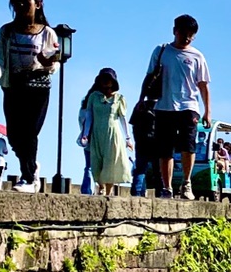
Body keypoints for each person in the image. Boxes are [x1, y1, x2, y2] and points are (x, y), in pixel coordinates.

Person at [0, 0, 63, 186]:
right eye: (16, 2)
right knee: (14, 135)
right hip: (14, 86)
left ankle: (28, 177)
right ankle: (31, 165)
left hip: (38, 87)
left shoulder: (47, 32)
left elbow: (54, 61)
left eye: (24, 1)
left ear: (37, 4)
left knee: (29, 132)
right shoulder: (7, 31)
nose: (20, 6)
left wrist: (48, 63)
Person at [142, 14, 210, 199]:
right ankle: (167, 187)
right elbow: (149, 76)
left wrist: (207, 111)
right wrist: (143, 100)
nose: (186, 37)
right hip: (164, 105)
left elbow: (203, 85)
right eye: (183, 33)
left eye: (190, 34)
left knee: (188, 146)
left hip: (189, 105)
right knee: (165, 149)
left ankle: (187, 183)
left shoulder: (197, 56)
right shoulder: (161, 51)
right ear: (175, 31)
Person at [82, 67, 130, 196]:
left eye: (108, 79)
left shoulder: (119, 98)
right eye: (103, 79)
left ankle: (108, 192)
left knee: (110, 162)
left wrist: (128, 138)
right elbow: (89, 116)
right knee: (96, 162)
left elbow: (123, 118)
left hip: (113, 134)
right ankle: (100, 186)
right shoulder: (94, 97)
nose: (105, 82)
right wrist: (85, 134)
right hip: (97, 134)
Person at [129, 90, 157, 196]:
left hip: (141, 142)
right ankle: (160, 194)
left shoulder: (140, 106)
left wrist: (138, 139)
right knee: (158, 172)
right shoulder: (162, 106)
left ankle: (136, 193)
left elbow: (133, 125)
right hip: (157, 143)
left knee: (140, 169)